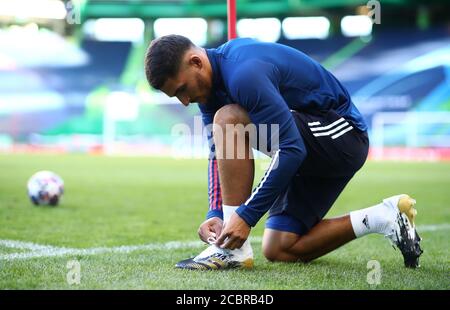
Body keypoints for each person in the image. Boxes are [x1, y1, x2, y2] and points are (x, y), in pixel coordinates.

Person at [144, 35, 423, 270]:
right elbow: (218, 152)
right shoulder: (208, 93)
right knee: (280, 247)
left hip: (343, 137)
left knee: (229, 118)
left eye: (182, 89)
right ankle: (384, 217)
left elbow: (291, 148)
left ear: (196, 62)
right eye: (176, 96)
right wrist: (215, 212)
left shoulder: (243, 72)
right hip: (307, 151)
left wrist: (245, 216)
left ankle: (231, 253)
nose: (184, 101)